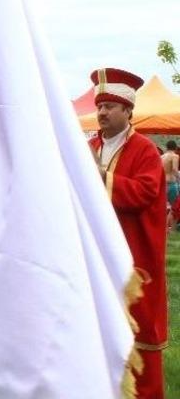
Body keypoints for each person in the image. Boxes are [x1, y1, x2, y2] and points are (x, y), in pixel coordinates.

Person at [88, 68, 167, 399]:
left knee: (137, 327)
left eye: (110, 106)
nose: (102, 112)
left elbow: (143, 194)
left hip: (133, 256)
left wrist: (99, 175)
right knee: (94, 328)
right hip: (94, 254)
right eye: (100, 105)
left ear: (127, 110)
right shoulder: (89, 144)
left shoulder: (145, 150)